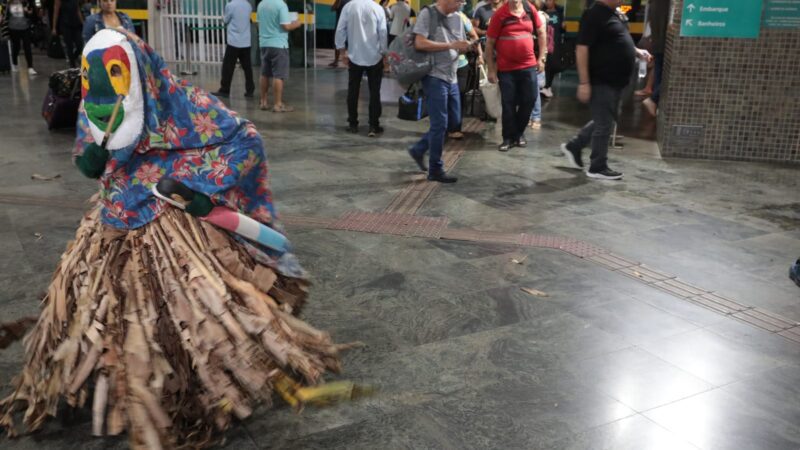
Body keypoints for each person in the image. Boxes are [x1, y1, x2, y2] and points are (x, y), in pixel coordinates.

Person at [0, 29, 341, 448]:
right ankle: (116, 374)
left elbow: (245, 139)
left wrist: (199, 190)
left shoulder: (183, 101)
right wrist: (91, 159)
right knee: (103, 309)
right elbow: (88, 151)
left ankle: (199, 383)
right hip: (111, 219)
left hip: (171, 219)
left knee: (188, 310)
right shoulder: (96, 96)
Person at [559, 0, 651, 180]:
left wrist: (637, 51)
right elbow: (582, 49)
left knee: (607, 118)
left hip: (616, 80)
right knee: (604, 124)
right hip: (602, 79)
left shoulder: (613, 14)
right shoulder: (593, 15)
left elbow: (616, 40)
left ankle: (575, 145)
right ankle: (597, 166)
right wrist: (584, 82)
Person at [407, 0, 472, 184]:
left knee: (453, 121)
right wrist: (451, 45)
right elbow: (419, 43)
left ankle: (419, 149)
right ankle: (435, 169)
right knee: (440, 124)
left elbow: (457, 45)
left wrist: (465, 47)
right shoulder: (428, 14)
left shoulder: (458, 18)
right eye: (459, 1)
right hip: (434, 76)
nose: (462, 4)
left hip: (452, 75)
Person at [485, 0, 546, 151]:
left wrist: (542, 58)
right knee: (508, 103)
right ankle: (508, 138)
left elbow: (541, 33)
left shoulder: (529, 9)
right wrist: (491, 70)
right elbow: (490, 43)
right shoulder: (500, 14)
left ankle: (518, 133)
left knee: (530, 99)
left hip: (528, 66)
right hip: (506, 68)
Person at [335, 0, 387, 137]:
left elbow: (340, 29)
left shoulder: (349, 6)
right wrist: (384, 53)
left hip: (355, 56)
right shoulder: (377, 8)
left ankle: (353, 124)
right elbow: (382, 32)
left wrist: (341, 51)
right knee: (374, 92)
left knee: (353, 90)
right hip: (374, 56)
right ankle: (373, 126)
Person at [257, 0, 302, 112]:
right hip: (278, 45)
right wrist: (297, 23)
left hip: (264, 43)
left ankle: (263, 102)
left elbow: (258, 23)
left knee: (264, 74)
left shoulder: (261, 4)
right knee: (278, 75)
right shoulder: (281, 5)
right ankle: (278, 104)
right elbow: (286, 26)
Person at [449, 8, 482, 139]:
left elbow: (474, 35)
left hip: (461, 64)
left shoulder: (461, 17)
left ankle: (455, 127)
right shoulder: (435, 16)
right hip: (442, 65)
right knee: (444, 96)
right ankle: (445, 126)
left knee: (459, 96)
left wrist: (479, 54)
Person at [211, 0, 255, 98]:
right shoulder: (248, 5)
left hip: (234, 42)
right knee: (247, 68)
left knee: (228, 67)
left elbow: (226, 20)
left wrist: (222, 18)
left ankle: (225, 90)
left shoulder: (230, 5)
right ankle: (250, 90)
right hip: (246, 41)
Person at [642, 0, 669, 117]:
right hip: (664, 44)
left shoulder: (653, 3)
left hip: (658, 43)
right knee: (668, 77)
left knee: (659, 74)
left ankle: (656, 104)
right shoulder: (665, 4)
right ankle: (653, 100)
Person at [529, 2, 549, 130]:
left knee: (535, 87)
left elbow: (543, 38)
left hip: (535, 55)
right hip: (524, 55)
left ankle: (535, 117)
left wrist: (542, 58)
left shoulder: (540, 16)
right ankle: (529, 116)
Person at [5, 0, 37, 75]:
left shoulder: (27, 2)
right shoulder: (9, 3)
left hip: (25, 28)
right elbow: (5, 14)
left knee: (27, 47)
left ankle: (30, 67)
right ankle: (14, 63)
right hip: (13, 28)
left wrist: (29, 13)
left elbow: (32, 13)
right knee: (16, 46)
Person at [541, 0, 565, 98]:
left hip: (555, 42)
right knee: (545, 64)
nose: (548, 2)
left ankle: (548, 86)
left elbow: (562, 29)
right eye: (546, 0)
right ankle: (544, 86)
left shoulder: (559, 12)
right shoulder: (542, 12)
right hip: (545, 42)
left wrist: (564, 27)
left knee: (553, 64)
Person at [51, 0, 84, 68]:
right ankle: (72, 65)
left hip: (76, 23)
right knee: (69, 46)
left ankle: (73, 57)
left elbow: (77, 10)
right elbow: (55, 12)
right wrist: (54, 27)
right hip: (65, 24)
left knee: (79, 44)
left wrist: (83, 23)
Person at [328, 0, 351, 67]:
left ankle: (351, 61)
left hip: (349, 25)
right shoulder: (339, 1)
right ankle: (336, 61)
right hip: (339, 25)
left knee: (351, 43)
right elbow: (332, 9)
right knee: (337, 42)